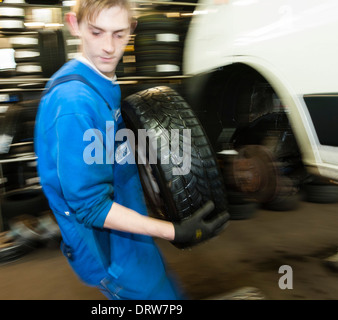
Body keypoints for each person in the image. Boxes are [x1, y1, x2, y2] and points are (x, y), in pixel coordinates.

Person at [34, 0, 229, 300]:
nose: (109, 47)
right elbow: (90, 207)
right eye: (97, 32)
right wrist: (175, 231)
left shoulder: (102, 81)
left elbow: (106, 150)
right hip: (108, 250)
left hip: (130, 232)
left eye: (119, 33)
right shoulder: (73, 102)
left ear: (132, 30)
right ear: (75, 25)